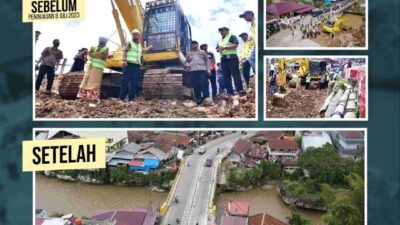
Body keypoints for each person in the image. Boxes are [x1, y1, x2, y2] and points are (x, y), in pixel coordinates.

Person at [120, 29, 152, 102]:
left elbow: (144, 50)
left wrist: (150, 47)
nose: (135, 36)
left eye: (137, 34)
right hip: (129, 65)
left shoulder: (139, 45)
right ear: (132, 35)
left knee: (134, 82)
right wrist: (124, 60)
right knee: (125, 81)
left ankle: (131, 99)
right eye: (134, 34)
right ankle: (121, 98)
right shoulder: (129, 43)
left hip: (137, 66)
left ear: (139, 36)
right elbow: (124, 52)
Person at [216, 27, 245, 96]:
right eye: (220, 31)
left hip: (232, 58)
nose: (221, 32)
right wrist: (218, 49)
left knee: (235, 74)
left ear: (227, 31)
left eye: (222, 30)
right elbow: (217, 49)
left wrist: (225, 47)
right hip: (223, 59)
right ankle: (230, 92)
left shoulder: (232, 36)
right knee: (226, 76)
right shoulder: (219, 40)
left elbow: (235, 45)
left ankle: (240, 90)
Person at [185, 41, 211, 105]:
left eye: (195, 44)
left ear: (197, 45)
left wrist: (208, 69)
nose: (194, 45)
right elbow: (186, 62)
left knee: (204, 84)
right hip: (193, 71)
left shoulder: (202, 52)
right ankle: (198, 98)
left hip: (202, 70)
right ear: (191, 45)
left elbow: (207, 61)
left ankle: (206, 98)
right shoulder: (189, 53)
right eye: (192, 44)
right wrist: (188, 60)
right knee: (195, 85)